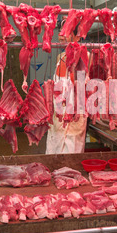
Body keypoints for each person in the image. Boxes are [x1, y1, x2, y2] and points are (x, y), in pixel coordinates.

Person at [45, 20, 89, 154]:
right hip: (57, 119)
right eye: (61, 30)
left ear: (77, 36)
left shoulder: (86, 56)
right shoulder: (60, 57)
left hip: (74, 119)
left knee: (71, 161)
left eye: (67, 31)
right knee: (52, 157)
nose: (62, 34)